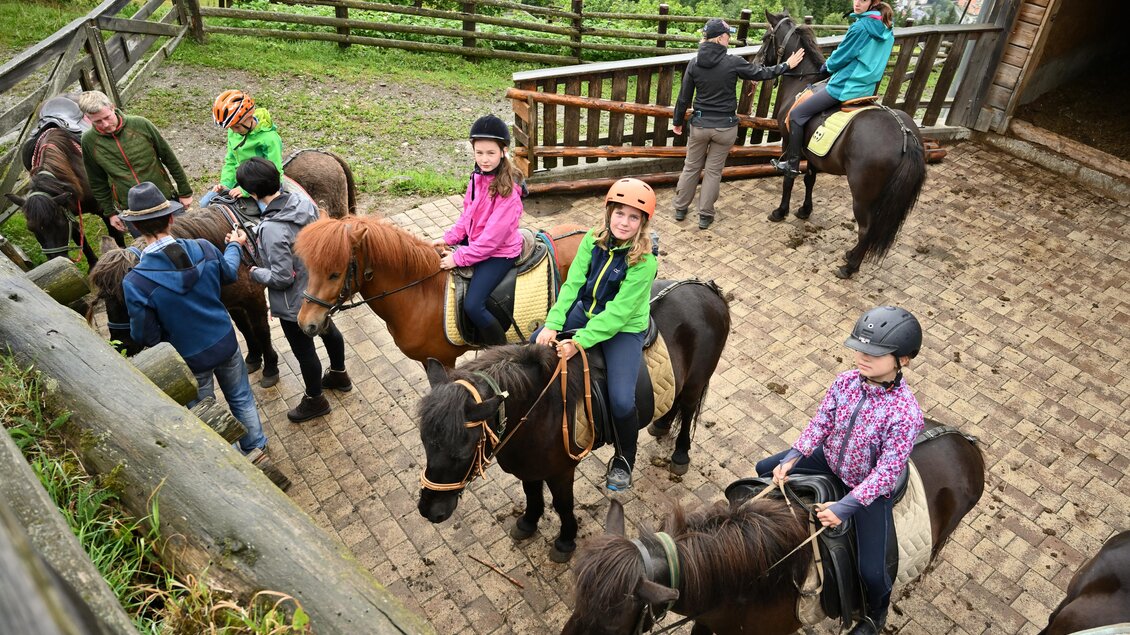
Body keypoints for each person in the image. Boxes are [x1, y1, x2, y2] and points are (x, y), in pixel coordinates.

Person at [754, 305, 925, 635]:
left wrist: (845, 508)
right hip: (829, 459)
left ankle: (876, 614)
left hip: (867, 487)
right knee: (765, 467)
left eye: (875, 353)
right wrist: (792, 457)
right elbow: (822, 422)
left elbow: (887, 473)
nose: (863, 357)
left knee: (872, 571)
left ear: (903, 359)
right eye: (860, 349)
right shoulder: (845, 381)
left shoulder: (906, 414)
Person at [120, 181, 268, 459]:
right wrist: (235, 246)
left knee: (205, 411)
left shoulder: (136, 282)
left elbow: (145, 336)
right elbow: (228, 273)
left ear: (136, 228)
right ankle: (257, 446)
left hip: (187, 358)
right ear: (172, 218)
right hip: (224, 341)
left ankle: (235, 459)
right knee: (241, 397)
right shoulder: (202, 247)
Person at [531, 178, 659, 491]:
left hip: (622, 329)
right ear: (609, 213)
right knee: (534, 344)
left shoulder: (645, 262)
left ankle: (625, 456)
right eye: (620, 214)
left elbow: (617, 314)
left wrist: (579, 342)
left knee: (621, 400)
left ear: (642, 223)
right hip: (585, 311)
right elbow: (572, 285)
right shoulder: (592, 239)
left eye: (633, 217)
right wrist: (553, 323)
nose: (624, 222)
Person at [229, 157, 351, 423]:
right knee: (329, 331)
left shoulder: (272, 229)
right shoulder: (302, 202)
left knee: (304, 352)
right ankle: (340, 374)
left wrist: (253, 271)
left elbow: (282, 277)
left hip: (294, 303)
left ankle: (315, 399)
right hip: (318, 291)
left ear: (252, 193)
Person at [672, 18, 804, 229]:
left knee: (691, 168)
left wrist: (677, 121)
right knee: (713, 172)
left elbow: (683, 97)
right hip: (725, 127)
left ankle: (680, 208)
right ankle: (705, 215)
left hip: (699, 125)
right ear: (720, 38)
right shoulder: (733, 62)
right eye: (728, 35)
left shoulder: (694, 62)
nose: (729, 38)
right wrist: (787, 65)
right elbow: (762, 73)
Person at [430, 114, 524, 346]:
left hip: (499, 253)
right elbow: (467, 216)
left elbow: (491, 241)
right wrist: (449, 238)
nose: (484, 159)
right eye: (479, 152)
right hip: (476, 244)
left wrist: (459, 256)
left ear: (503, 152)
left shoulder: (509, 192)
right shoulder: (477, 178)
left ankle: (501, 351)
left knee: (473, 305)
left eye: (491, 153)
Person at [773, 0, 895, 177]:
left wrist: (826, 67)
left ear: (873, 2)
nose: (857, 3)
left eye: (863, 0)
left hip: (846, 86)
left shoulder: (860, 27)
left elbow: (842, 55)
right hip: (867, 89)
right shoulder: (887, 28)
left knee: (797, 115)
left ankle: (791, 164)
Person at [77, 90, 193, 236]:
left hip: (165, 199)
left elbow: (169, 159)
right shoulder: (88, 141)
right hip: (131, 210)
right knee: (150, 250)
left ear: (112, 107)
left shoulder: (141, 125)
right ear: (88, 119)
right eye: (98, 121)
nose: (105, 124)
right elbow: (97, 181)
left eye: (107, 117)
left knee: (185, 239)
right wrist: (110, 213)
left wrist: (185, 191)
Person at [200, 90, 284, 208]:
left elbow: (274, 172)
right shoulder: (234, 132)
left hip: (263, 185)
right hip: (242, 178)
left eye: (237, 126)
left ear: (249, 117)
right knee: (204, 203)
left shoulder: (270, 138)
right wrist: (225, 183)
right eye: (230, 127)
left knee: (266, 211)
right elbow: (231, 160)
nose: (233, 131)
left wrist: (247, 190)